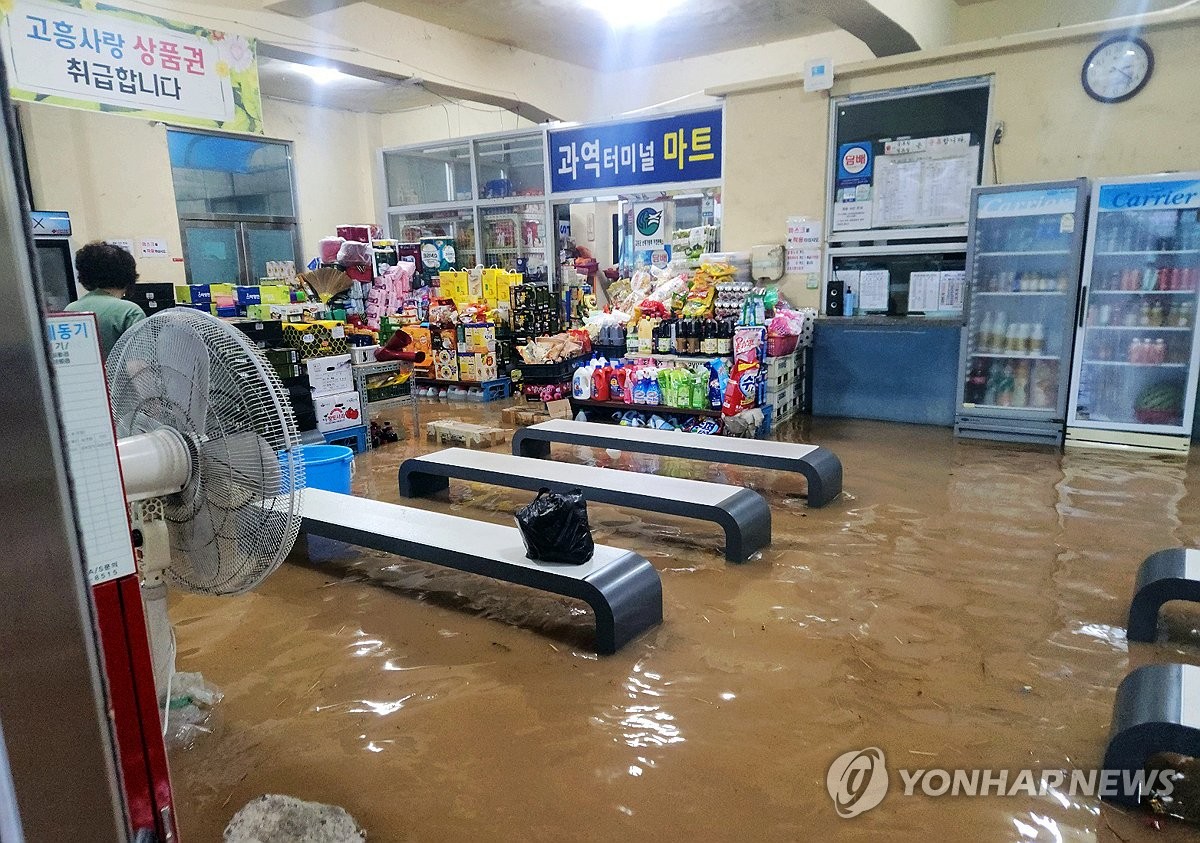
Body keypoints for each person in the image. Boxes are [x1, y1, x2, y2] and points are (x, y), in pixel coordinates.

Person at [64, 241, 146, 357]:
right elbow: (137, 365)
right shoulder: (129, 311)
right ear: (128, 275)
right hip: (118, 375)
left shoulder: (70, 309)